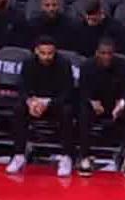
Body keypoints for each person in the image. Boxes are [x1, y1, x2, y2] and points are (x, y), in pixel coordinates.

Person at [8, 34, 77, 176]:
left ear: (55, 52)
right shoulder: (28, 63)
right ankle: (19, 154)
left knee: (68, 111)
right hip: (34, 103)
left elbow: (68, 91)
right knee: (18, 109)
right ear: (36, 51)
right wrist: (30, 102)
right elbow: (22, 88)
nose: (47, 57)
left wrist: (48, 103)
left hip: (55, 103)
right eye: (43, 53)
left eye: (50, 53)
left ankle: (67, 156)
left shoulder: (64, 64)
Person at [78, 36, 125, 175]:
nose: (106, 57)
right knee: (83, 112)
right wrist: (92, 101)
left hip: (116, 105)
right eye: (103, 53)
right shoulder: (87, 66)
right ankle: (84, 156)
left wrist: (121, 103)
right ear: (97, 53)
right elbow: (82, 90)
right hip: (95, 105)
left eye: (109, 53)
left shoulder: (123, 65)